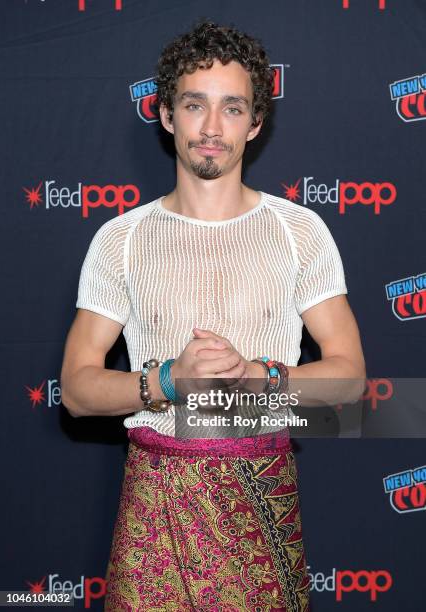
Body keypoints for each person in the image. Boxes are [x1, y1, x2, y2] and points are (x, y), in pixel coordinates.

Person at [60, 20, 366, 611]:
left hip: (260, 495)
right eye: (194, 105)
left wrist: (255, 377)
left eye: (232, 109)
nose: (211, 128)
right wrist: (172, 380)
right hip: (155, 496)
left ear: (255, 123)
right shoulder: (119, 239)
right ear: (167, 116)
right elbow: (76, 388)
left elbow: (349, 377)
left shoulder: (299, 232)